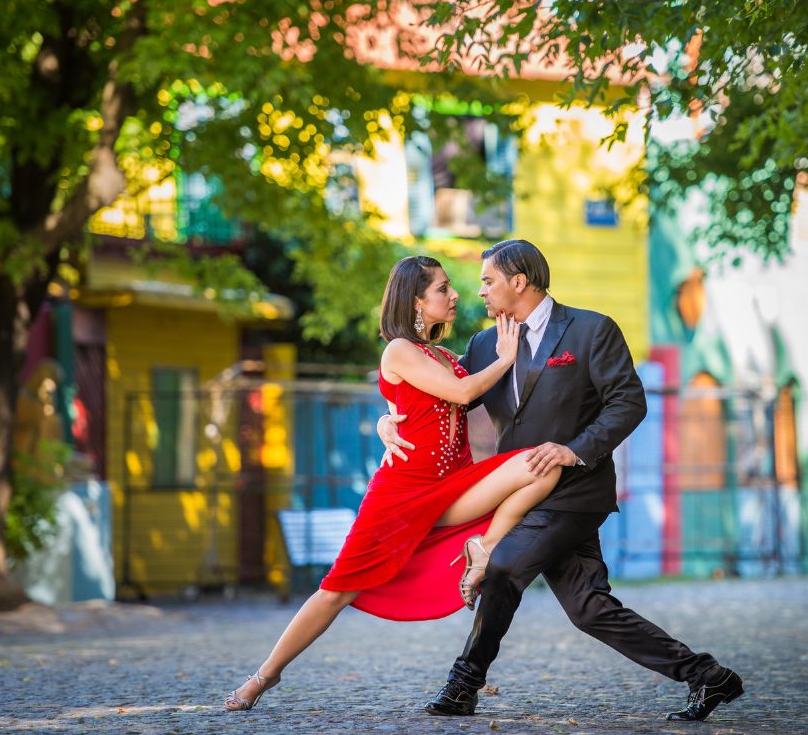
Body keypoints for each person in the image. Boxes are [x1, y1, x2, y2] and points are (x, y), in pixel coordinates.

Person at [378, 239, 744, 722]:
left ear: (519, 281)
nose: (480, 291)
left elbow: (629, 402)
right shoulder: (486, 345)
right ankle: (709, 677)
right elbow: (440, 398)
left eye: (488, 281)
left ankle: (462, 684)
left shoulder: (592, 330)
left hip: (576, 491)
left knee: (503, 566)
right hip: (521, 494)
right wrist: (388, 419)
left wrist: (575, 450)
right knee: (589, 608)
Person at [224, 255, 561, 711]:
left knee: (544, 464)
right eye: (443, 288)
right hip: (401, 495)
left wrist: (388, 418)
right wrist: (505, 359)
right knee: (335, 591)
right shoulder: (398, 349)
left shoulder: (442, 354)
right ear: (416, 301)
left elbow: (422, 400)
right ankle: (264, 676)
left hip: (455, 485)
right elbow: (462, 393)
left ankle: (482, 548)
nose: (456, 294)